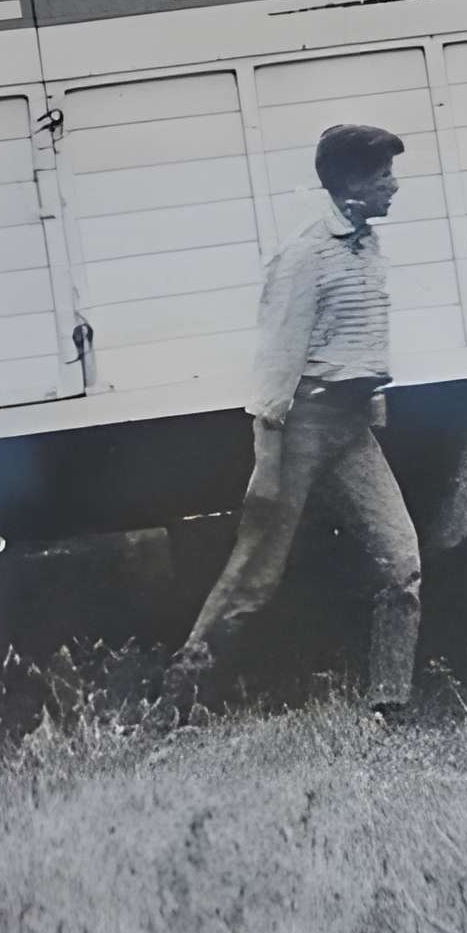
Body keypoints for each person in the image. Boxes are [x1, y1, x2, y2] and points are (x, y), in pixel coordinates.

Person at [164, 122, 423, 725]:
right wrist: (269, 459)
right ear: (353, 182)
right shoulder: (305, 255)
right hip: (299, 429)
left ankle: (390, 704)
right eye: (384, 174)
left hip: (352, 430)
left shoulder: (368, 246)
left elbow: (359, 344)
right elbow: (277, 360)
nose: (395, 186)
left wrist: (370, 405)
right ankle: (181, 700)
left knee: (402, 562)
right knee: (256, 575)